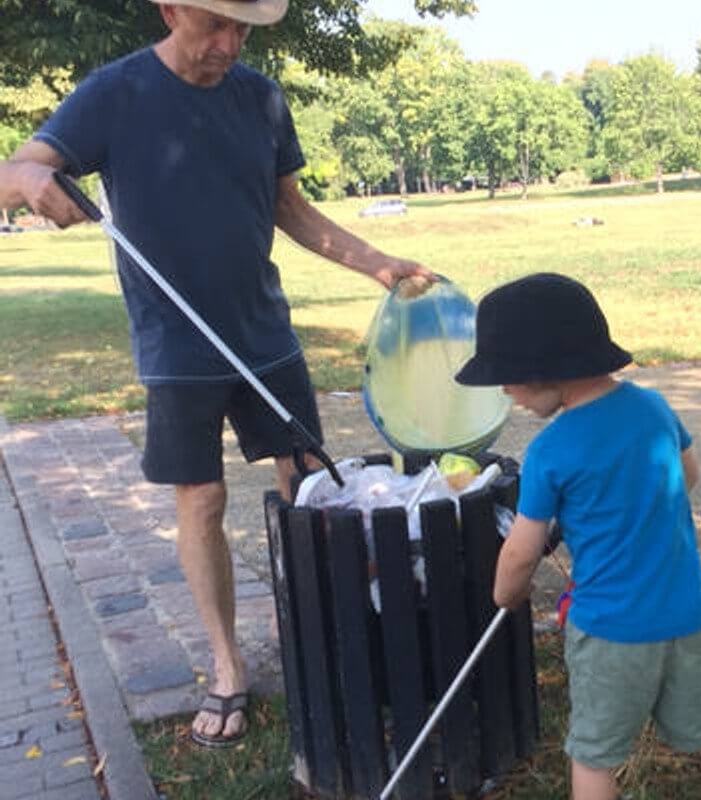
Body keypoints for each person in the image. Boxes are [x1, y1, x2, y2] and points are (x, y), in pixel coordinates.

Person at [0, 0, 435, 747]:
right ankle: (228, 664)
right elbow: (20, 167)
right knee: (200, 499)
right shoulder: (116, 91)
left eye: (244, 30)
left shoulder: (261, 97)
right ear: (172, 10)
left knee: (309, 480)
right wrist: (31, 182)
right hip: (176, 345)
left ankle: (328, 634)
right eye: (217, 26)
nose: (232, 44)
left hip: (264, 330)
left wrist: (377, 264)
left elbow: (290, 209)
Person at [455, 273, 701, 800]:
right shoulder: (653, 408)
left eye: (508, 377)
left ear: (544, 368)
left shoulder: (551, 451)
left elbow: (520, 552)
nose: (505, 391)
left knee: (594, 755)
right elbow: (687, 475)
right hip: (687, 615)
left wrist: (504, 596)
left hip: (611, 632)